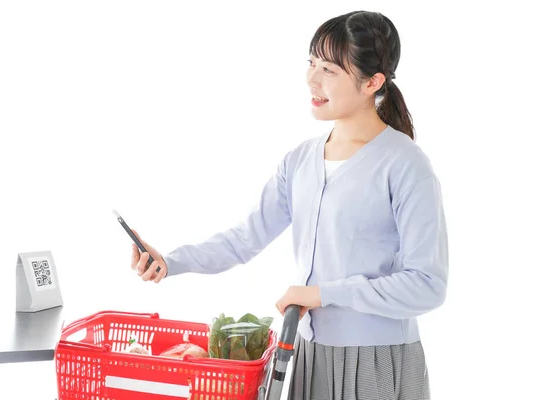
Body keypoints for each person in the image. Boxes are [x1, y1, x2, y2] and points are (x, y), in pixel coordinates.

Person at [130, 10, 448, 400]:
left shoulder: (405, 164)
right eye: (312, 63)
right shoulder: (300, 161)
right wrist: (171, 261)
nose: (312, 79)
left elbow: (428, 285)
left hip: (378, 363)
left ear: (373, 82)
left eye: (329, 69)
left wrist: (322, 294)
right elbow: (243, 239)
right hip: (309, 356)